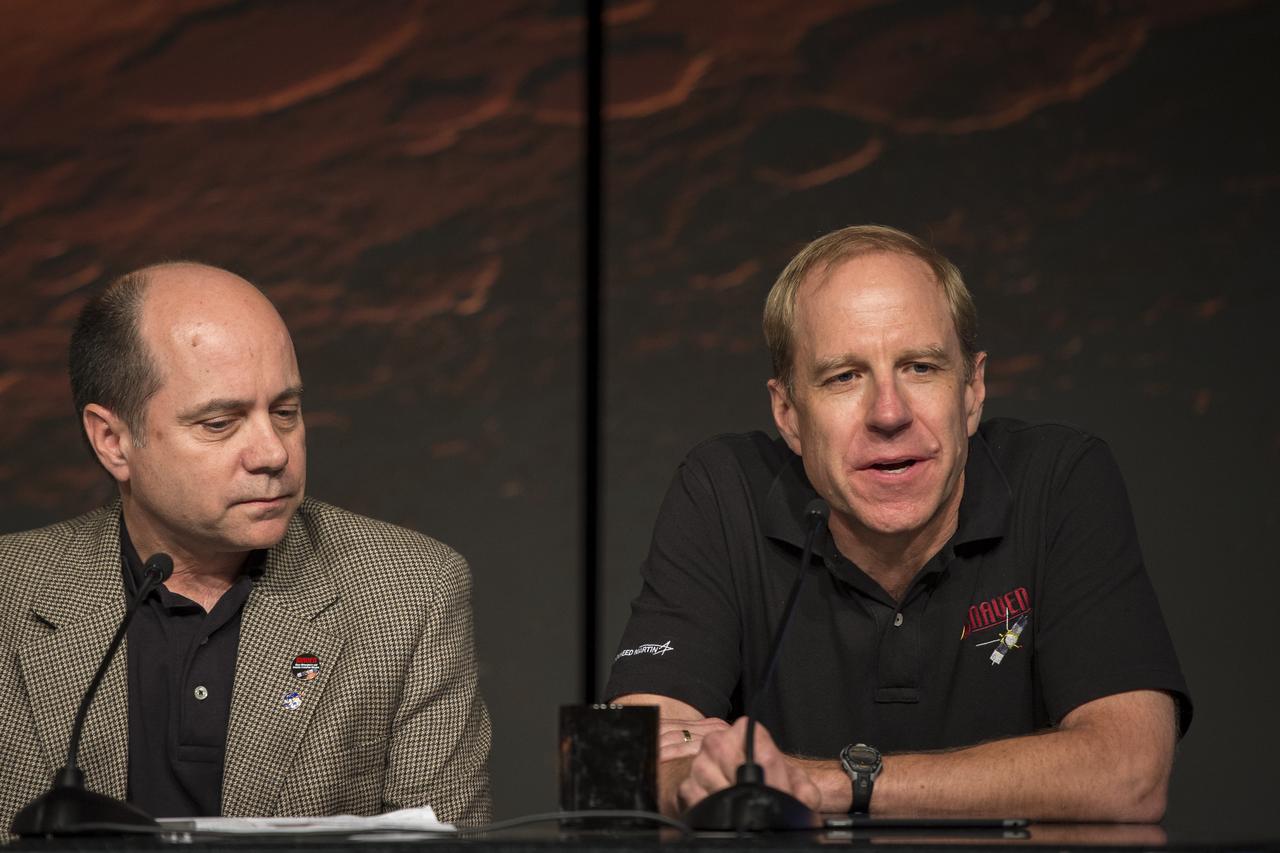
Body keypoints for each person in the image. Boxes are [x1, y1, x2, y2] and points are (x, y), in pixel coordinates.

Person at [606, 225, 1191, 821]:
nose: (889, 413)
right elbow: (615, 766)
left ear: (973, 389)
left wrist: (828, 784)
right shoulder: (722, 487)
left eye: (920, 367)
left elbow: (1130, 774)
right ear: (788, 413)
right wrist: (686, 775)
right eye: (844, 377)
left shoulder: (1059, 479)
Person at [0, 262, 491, 830]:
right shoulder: (11, 593)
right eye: (219, 423)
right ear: (113, 441)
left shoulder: (410, 592)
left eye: (285, 412)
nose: (272, 453)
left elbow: (451, 842)